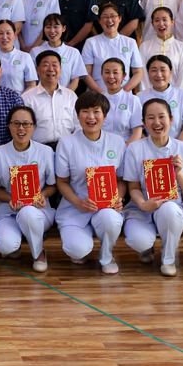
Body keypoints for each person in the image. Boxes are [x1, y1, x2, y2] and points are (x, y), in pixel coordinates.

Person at [123, 98, 183, 276]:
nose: (157, 122)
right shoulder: (134, 149)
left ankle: (168, 258)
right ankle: (146, 248)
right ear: (143, 122)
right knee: (139, 241)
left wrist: (179, 174)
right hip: (141, 206)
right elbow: (133, 187)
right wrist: (143, 204)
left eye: (162, 117)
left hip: (171, 207)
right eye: (151, 118)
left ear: (171, 119)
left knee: (168, 209)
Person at [54, 91, 126, 274]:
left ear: (105, 116)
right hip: (75, 206)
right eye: (85, 111)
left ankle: (107, 255)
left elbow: (121, 179)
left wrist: (118, 198)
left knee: (110, 218)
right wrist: (79, 202)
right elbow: (62, 181)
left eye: (96, 111)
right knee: (77, 250)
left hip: (106, 207)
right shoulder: (66, 143)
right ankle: (81, 245)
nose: (91, 117)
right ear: (78, 115)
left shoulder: (117, 142)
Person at [0, 105, 56, 273]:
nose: (21, 128)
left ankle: (38, 253)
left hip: (37, 208)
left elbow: (53, 185)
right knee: (4, 246)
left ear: (33, 126)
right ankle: (17, 241)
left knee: (28, 213)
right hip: (9, 208)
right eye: (16, 123)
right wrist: (11, 199)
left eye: (26, 124)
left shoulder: (45, 151)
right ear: (9, 125)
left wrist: (43, 195)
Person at [82, 3, 144, 93]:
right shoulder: (91, 42)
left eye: (113, 16)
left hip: (124, 94)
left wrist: (123, 91)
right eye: (105, 17)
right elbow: (86, 74)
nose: (109, 20)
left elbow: (138, 73)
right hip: (97, 95)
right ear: (99, 20)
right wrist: (102, 94)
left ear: (120, 18)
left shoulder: (130, 42)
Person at [136, 55, 183, 142]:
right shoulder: (139, 97)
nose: (159, 75)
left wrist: (176, 147)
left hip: (179, 145)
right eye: (154, 70)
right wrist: (150, 146)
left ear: (170, 72)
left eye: (163, 70)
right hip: (148, 147)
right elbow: (138, 129)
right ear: (148, 73)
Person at [21, 51, 78, 146]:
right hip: (39, 148)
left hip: (67, 147)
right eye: (46, 65)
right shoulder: (27, 98)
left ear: (60, 68)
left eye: (54, 65)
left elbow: (78, 125)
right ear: (37, 70)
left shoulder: (71, 96)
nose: (51, 69)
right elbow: (22, 129)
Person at [29, 14, 87, 91]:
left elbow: (75, 81)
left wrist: (64, 96)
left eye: (56, 27)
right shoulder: (35, 51)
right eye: (48, 27)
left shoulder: (73, 52)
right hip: (41, 95)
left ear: (64, 28)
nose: (52, 31)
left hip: (66, 96)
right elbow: (32, 80)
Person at [137, 7, 183, 91]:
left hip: (175, 96)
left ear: (172, 22)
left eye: (165, 20)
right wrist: (148, 95)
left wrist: (178, 95)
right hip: (151, 96)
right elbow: (143, 76)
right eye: (157, 20)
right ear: (152, 23)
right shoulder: (145, 46)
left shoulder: (182, 47)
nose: (161, 24)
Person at [98, 58, 143, 145]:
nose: (111, 76)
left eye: (115, 72)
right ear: (102, 74)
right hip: (101, 147)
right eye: (107, 72)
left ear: (124, 75)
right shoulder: (97, 100)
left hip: (125, 147)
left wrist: (124, 150)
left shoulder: (133, 100)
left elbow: (137, 133)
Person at [0, 20, 37, 92]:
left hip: (19, 98)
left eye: (8, 33)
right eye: (0, 33)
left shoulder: (25, 57)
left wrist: (20, 98)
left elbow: (32, 85)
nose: (4, 37)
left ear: (15, 35)